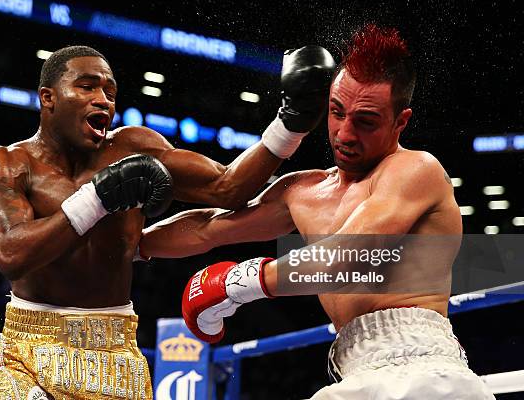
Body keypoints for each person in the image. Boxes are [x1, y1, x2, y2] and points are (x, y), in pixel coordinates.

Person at [140, 25, 495, 399]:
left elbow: (347, 252)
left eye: (365, 121)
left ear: (400, 121)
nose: (344, 133)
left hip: (424, 372)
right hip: (356, 373)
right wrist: (130, 244)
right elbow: (208, 229)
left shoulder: (416, 170)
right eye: (336, 112)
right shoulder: (302, 191)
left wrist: (239, 282)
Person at [0, 45, 332, 399]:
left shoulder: (133, 146)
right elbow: (11, 254)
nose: (103, 100)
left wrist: (290, 123)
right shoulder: (7, 165)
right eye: (87, 86)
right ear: (48, 97)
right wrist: (97, 198)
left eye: (110, 91)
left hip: (114, 349)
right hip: (29, 346)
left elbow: (225, 188)